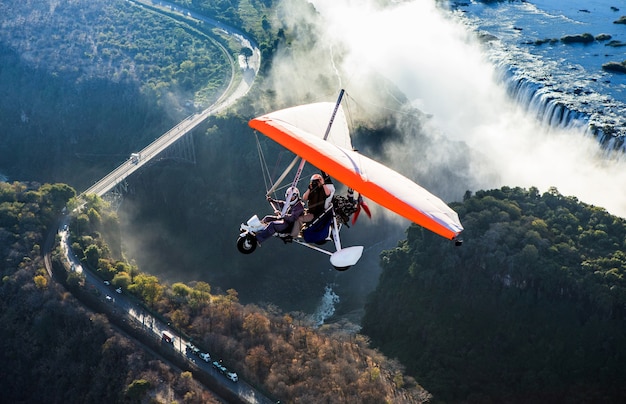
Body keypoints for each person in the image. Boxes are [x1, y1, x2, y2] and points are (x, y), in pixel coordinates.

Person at [290, 173, 335, 237]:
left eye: (317, 181)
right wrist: (309, 188)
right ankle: (291, 229)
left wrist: (322, 183)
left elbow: (328, 194)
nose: (316, 183)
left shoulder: (323, 190)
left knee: (299, 219)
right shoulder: (312, 190)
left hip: (315, 215)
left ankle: (293, 235)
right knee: (294, 214)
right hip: (310, 211)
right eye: (314, 182)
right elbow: (304, 198)